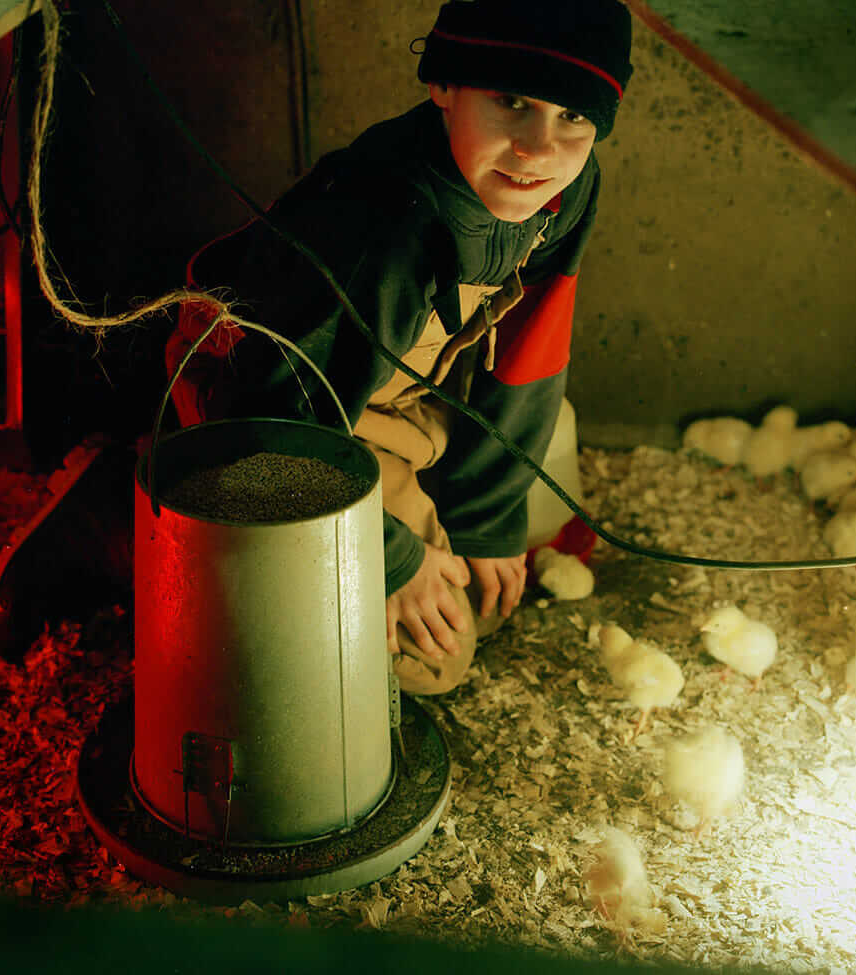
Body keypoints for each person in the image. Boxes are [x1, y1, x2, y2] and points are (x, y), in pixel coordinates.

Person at [165, 0, 634, 695]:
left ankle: (418, 519)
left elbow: (533, 352)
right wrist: (385, 559)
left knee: (492, 574)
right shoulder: (385, 225)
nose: (540, 149)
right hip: (273, 412)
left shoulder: (567, 186)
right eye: (511, 101)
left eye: (573, 116)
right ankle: (145, 524)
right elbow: (269, 423)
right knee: (431, 659)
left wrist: (488, 521)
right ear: (443, 85)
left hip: (409, 393)